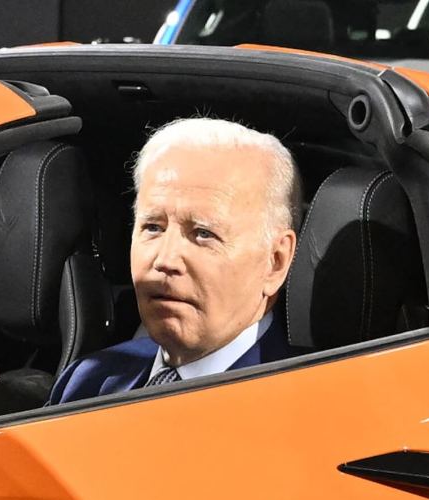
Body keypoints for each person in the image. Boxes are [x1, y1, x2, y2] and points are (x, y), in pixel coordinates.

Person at [47, 118, 301, 405]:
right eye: (153, 227)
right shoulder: (88, 381)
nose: (165, 260)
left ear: (275, 262)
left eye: (203, 234)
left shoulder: (307, 414)